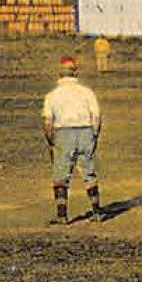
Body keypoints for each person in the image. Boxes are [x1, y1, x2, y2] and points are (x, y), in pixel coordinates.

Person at [42, 55, 102, 224]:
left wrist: (51, 141)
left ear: (59, 74)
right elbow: (96, 116)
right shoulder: (86, 92)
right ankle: (97, 211)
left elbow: (47, 122)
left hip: (63, 133)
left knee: (61, 175)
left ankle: (62, 215)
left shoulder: (52, 95)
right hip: (86, 132)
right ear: (75, 73)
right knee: (89, 173)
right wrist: (94, 136)